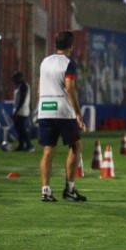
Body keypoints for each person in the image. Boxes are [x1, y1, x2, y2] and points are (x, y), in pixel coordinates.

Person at [37, 30, 88, 203]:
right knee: (75, 146)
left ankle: (45, 191)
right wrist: (78, 113)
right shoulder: (69, 63)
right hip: (63, 111)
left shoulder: (45, 62)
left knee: (48, 150)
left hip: (44, 109)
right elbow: (70, 87)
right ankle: (70, 190)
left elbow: (39, 89)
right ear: (71, 46)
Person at [12, 72, 35, 152]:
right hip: (20, 110)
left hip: (21, 111)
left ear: (19, 78)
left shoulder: (24, 86)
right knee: (19, 129)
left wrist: (17, 111)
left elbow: (22, 99)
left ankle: (29, 145)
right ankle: (21, 145)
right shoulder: (20, 86)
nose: (14, 80)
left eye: (15, 78)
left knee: (22, 129)